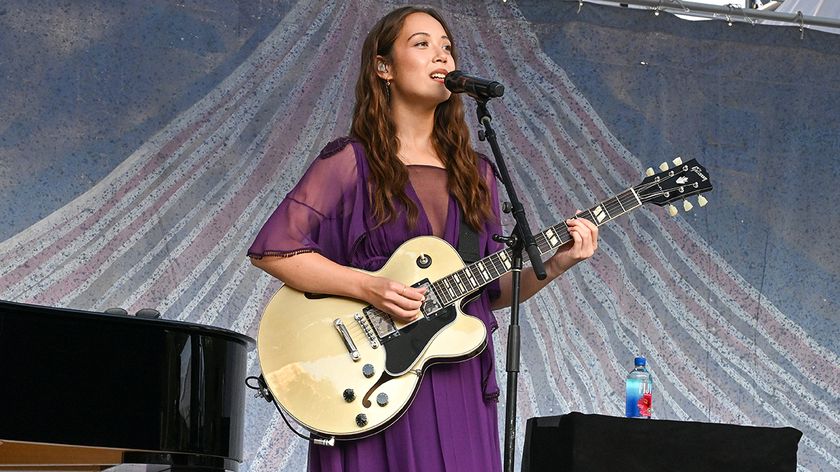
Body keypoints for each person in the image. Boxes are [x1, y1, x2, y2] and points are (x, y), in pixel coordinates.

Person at [247, 5, 599, 471]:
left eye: (447, 48)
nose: (442, 56)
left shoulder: (477, 174)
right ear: (384, 67)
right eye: (422, 44)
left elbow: (490, 292)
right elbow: (274, 250)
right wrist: (368, 287)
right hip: (372, 378)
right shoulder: (350, 162)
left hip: (457, 378)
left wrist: (555, 264)